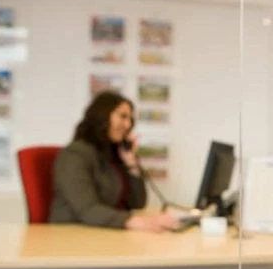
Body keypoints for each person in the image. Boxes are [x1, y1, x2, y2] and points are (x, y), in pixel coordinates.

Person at [49, 91, 180, 232]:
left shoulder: (112, 155)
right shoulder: (74, 155)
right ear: (102, 117)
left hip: (103, 231)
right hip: (72, 234)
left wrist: (131, 163)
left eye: (130, 119)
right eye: (123, 116)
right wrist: (136, 222)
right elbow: (88, 210)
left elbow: (138, 203)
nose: (128, 125)